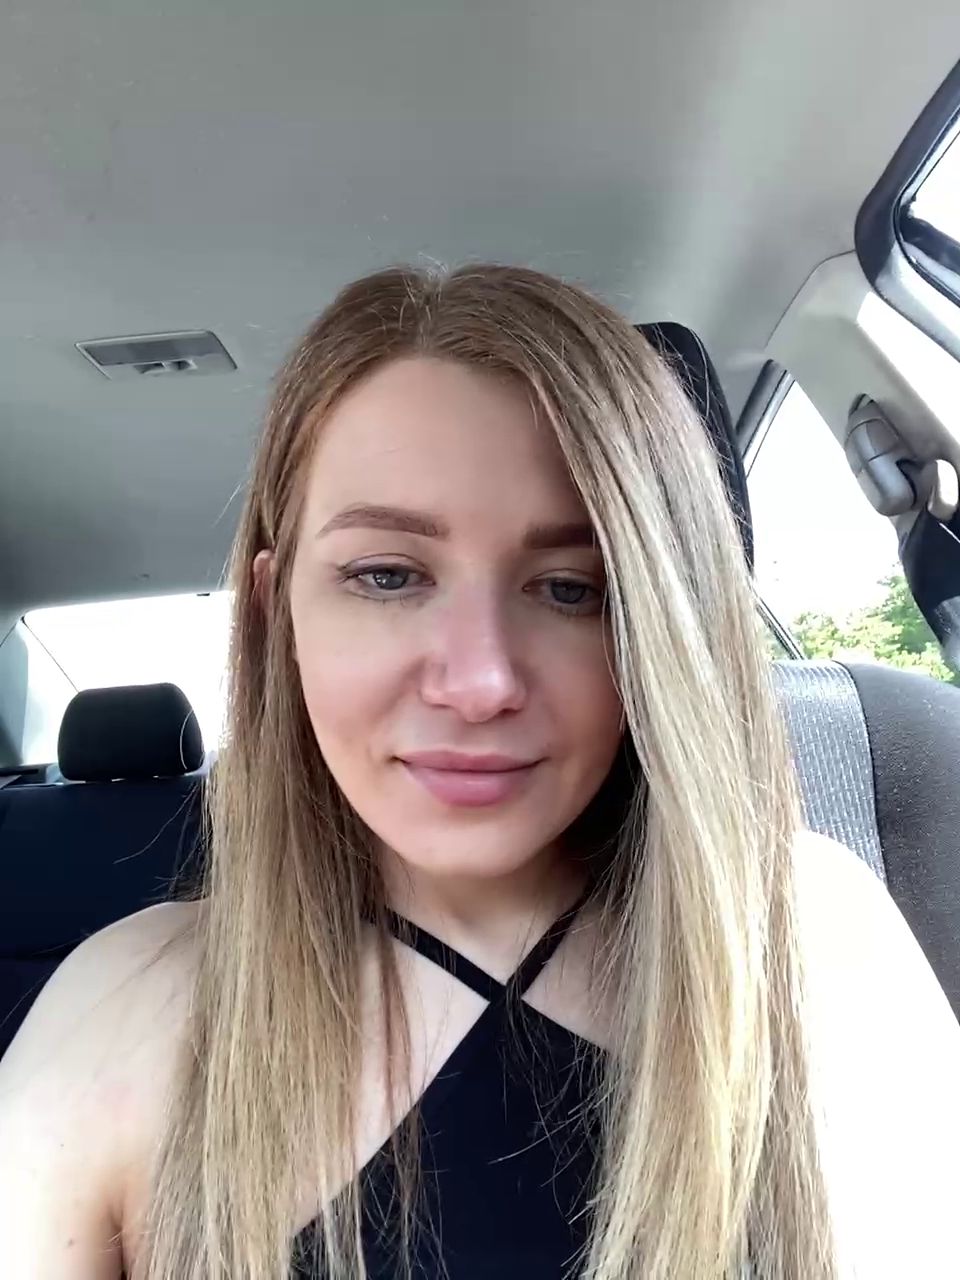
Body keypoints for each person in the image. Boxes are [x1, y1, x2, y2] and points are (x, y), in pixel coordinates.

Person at [1, 264, 958, 1280]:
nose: (481, 681)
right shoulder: (128, 1003)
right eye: (387, 576)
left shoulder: (799, 934)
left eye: (571, 587)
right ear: (277, 616)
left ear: (659, 628)